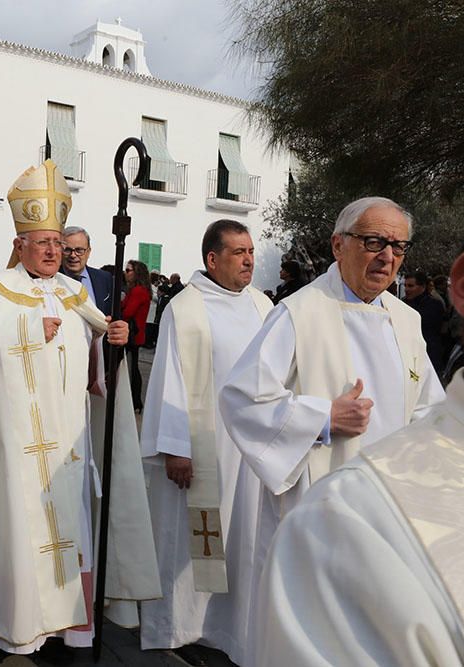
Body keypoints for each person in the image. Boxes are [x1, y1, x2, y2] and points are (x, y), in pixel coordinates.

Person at [219, 197, 445, 663]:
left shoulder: (407, 320)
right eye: (375, 241)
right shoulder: (299, 312)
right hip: (314, 508)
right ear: (338, 245)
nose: (387, 256)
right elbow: (242, 397)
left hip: (385, 512)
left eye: (399, 246)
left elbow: (429, 410)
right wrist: (322, 418)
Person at [0, 159, 159, 654]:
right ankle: (17, 624)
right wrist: (25, 331)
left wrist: (114, 338)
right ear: (19, 244)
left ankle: (70, 625)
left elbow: (98, 364)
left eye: (58, 242)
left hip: (68, 442)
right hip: (16, 445)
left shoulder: (74, 293)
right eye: (42, 241)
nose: (53, 250)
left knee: (71, 529)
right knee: (20, 528)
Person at [138, 220, 274, 664]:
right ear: (212, 259)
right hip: (203, 451)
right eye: (238, 252)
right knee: (198, 540)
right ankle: (186, 626)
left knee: (243, 539)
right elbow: (170, 378)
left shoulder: (262, 304)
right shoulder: (187, 308)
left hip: (250, 450)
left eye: (251, 250)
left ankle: (233, 626)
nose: (249, 259)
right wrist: (177, 447)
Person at [61, 226, 113, 313]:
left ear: (88, 252)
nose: (73, 255)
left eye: (79, 250)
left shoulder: (104, 278)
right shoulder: (51, 279)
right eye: (67, 250)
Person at [122, 259, 151, 412]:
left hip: (133, 335)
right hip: (136, 334)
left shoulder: (137, 291)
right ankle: (135, 401)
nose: (125, 274)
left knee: (132, 369)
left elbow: (127, 312)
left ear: (136, 273)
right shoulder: (139, 290)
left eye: (128, 271)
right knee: (133, 368)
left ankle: (135, 401)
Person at [404, 269, 446, 370]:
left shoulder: (434, 305)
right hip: (408, 354)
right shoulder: (403, 303)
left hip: (429, 355)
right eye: (405, 285)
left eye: (410, 286)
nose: (406, 289)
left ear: (422, 287)